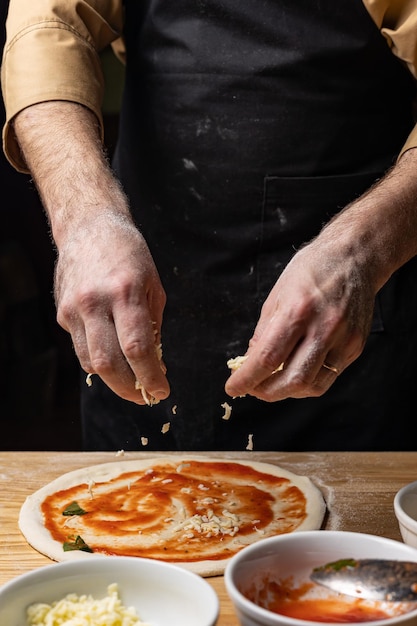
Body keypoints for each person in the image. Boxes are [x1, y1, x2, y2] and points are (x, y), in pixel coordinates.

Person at [2, 0, 417, 452]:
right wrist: (85, 218)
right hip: (138, 276)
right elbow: (46, 27)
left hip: (350, 304)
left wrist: (362, 250)